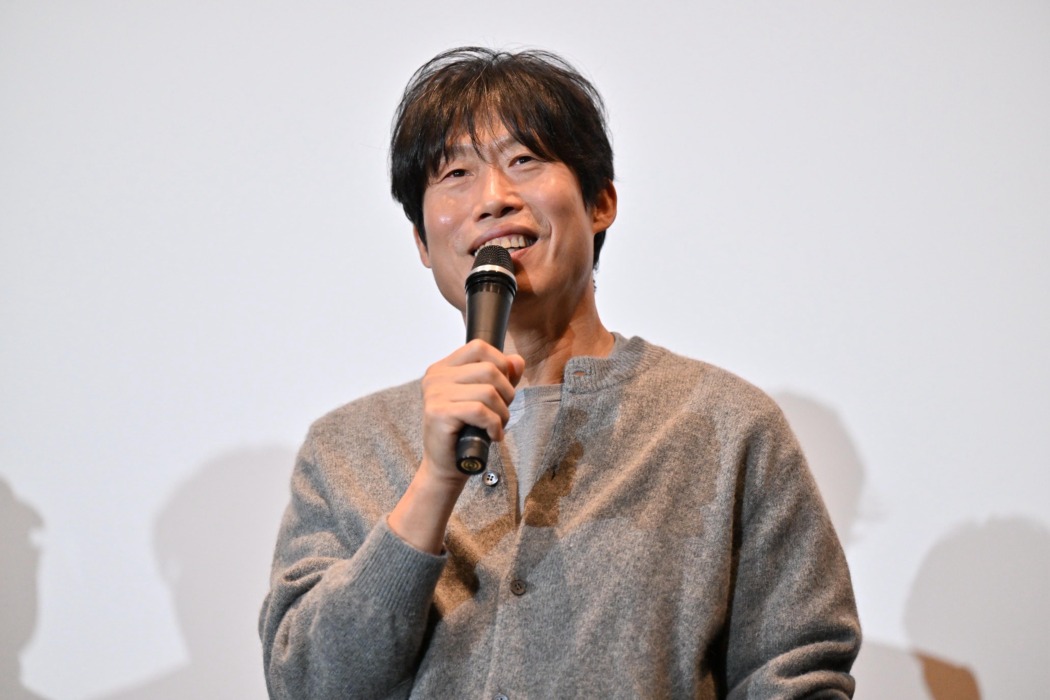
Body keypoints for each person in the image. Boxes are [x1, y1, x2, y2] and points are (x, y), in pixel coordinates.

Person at [259, 47, 861, 699]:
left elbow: (796, 672)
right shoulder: (346, 450)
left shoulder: (723, 425)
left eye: (524, 160)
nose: (494, 198)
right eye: (456, 172)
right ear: (422, 242)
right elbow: (306, 684)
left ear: (600, 202)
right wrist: (433, 484)